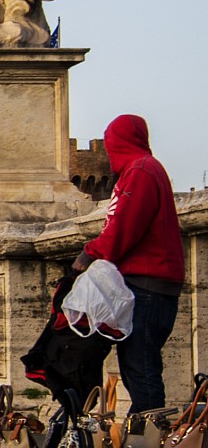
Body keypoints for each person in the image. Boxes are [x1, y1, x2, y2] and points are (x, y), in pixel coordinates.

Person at [79, 114, 184, 415]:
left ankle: (151, 435)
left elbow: (124, 227)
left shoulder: (140, 171)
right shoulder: (138, 170)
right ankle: (145, 429)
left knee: (141, 366)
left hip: (148, 286)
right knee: (135, 363)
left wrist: (89, 253)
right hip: (146, 284)